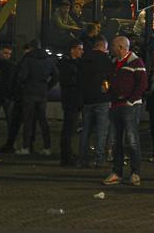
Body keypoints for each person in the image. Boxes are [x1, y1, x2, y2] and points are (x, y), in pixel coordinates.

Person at [102, 36, 147, 186]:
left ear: (121, 47)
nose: (112, 49)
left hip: (129, 106)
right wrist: (108, 91)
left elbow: (142, 84)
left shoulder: (136, 62)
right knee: (116, 141)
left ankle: (135, 172)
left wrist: (130, 100)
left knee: (131, 139)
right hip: (116, 104)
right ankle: (117, 171)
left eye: (114, 46)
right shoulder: (115, 63)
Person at [16, 43, 58, 155]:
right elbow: (56, 75)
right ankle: (47, 147)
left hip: (29, 92)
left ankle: (26, 147)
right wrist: (47, 87)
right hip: (42, 92)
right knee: (43, 120)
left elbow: (23, 76)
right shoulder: (48, 60)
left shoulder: (28, 59)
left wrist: (24, 83)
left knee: (28, 120)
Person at [79, 36, 112, 167]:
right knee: (101, 131)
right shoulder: (106, 60)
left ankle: (82, 159)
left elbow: (79, 79)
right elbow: (110, 77)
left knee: (85, 130)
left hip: (87, 99)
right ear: (103, 46)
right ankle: (99, 159)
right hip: (102, 99)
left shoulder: (84, 59)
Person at [57, 40, 83, 166]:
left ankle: (67, 154)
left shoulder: (73, 63)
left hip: (73, 99)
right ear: (72, 50)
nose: (81, 51)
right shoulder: (66, 64)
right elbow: (68, 81)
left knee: (70, 128)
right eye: (79, 49)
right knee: (68, 128)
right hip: (71, 99)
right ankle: (66, 156)